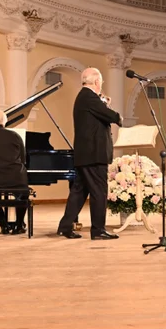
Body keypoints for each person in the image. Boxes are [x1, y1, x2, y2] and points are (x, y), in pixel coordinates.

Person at [57, 68, 122, 240]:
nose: (101, 85)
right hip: (94, 154)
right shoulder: (89, 96)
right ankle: (98, 230)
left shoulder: (85, 97)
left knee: (79, 191)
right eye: (101, 82)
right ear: (97, 81)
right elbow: (111, 116)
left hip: (86, 154)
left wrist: (103, 104)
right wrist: (115, 114)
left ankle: (65, 226)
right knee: (99, 191)